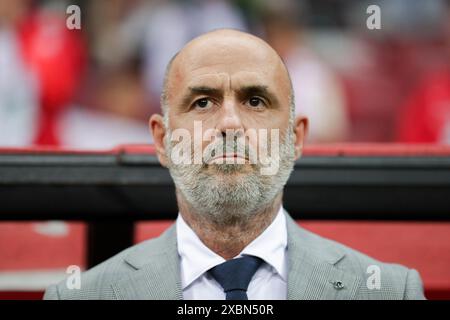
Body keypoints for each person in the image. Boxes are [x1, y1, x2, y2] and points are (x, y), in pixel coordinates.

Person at [44, 29, 425, 300]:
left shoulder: (389, 292)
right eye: (203, 102)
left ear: (295, 138)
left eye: (256, 101)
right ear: (162, 140)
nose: (229, 124)